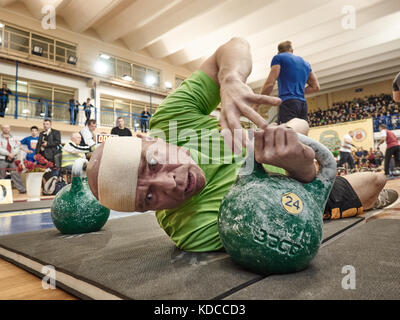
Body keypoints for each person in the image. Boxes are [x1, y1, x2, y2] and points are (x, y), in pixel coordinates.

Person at [86, 38, 398, 254]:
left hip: (281, 143)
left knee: (297, 127)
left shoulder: (171, 120)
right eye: (149, 197)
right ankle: (365, 199)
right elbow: (287, 222)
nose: (171, 182)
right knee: (375, 181)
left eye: (153, 164)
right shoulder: (193, 232)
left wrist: (231, 78)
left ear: (149, 139)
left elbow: (232, 46)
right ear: (145, 210)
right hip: (289, 193)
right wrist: (299, 168)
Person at [256, 41, 320, 124]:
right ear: (292, 50)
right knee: (301, 133)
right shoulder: (306, 63)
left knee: (286, 134)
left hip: (288, 102)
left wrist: (257, 103)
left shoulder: (278, 58)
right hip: (302, 105)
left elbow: (270, 84)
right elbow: (316, 87)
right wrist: (297, 91)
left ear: (279, 52)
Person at [0, 125, 26, 194]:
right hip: (2, 159)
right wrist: (8, 154)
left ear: (10, 129)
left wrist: (12, 154)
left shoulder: (14, 138)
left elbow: (17, 147)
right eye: (4, 128)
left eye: (7, 128)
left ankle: (22, 189)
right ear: (2, 129)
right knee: (1, 175)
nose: (6, 129)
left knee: (16, 174)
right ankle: (1, 191)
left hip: (13, 159)